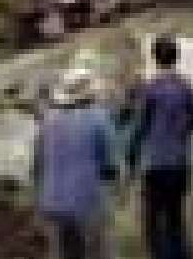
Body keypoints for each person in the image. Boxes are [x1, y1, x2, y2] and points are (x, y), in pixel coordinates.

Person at [35, 66, 119, 259]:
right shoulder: (99, 118)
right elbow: (110, 164)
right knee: (96, 252)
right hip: (86, 202)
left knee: (61, 253)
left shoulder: (48, 119)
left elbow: (39, 163)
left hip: (53, 201)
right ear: (90, 92)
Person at [128, 35, 193, 259]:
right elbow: (192, 124)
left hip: (156, 164)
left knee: (153, 222)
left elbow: (140, 125)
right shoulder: (187, 89)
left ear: (155, 58)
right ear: (176, 57)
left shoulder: (151, 90)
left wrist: (131, 157)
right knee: (175, 218)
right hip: (180, 162)